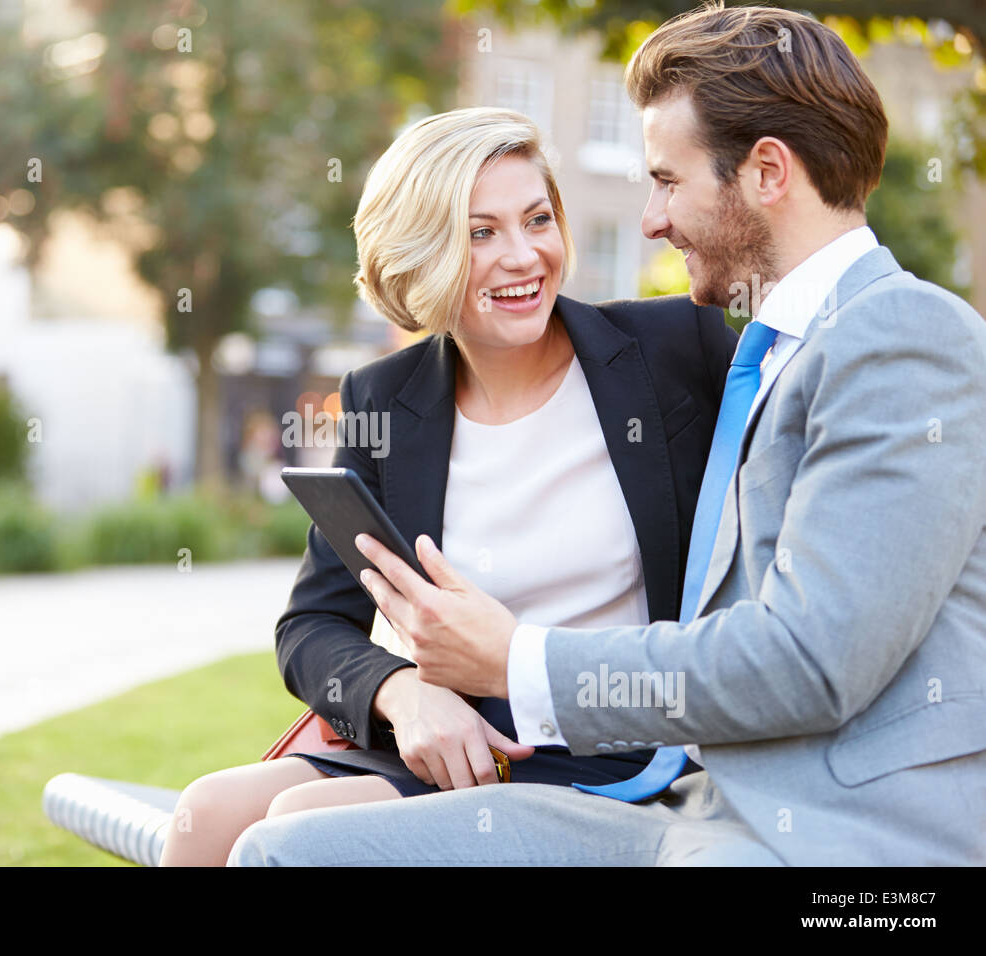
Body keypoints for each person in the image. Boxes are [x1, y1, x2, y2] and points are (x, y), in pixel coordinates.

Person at [228, 2, 986, 867]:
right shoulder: (777, 352)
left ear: (767, 172)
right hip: (699, 803)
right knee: (278, 850)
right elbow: (315, 623)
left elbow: (810, 662)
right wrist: (402, 688)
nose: (651, 221)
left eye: (667, 181)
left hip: (838, 840)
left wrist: (516, 660)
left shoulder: (899, 338)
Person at [158, 105, 735, 866]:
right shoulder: (383, 399)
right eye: (481, 232)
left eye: (537, 219)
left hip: (602, 742)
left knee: (296, 822)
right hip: (443, 737)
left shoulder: (672, 350)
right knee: (203, 814)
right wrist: (402, 694)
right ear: (424, 253)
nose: (524, 256)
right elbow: (310, 627)